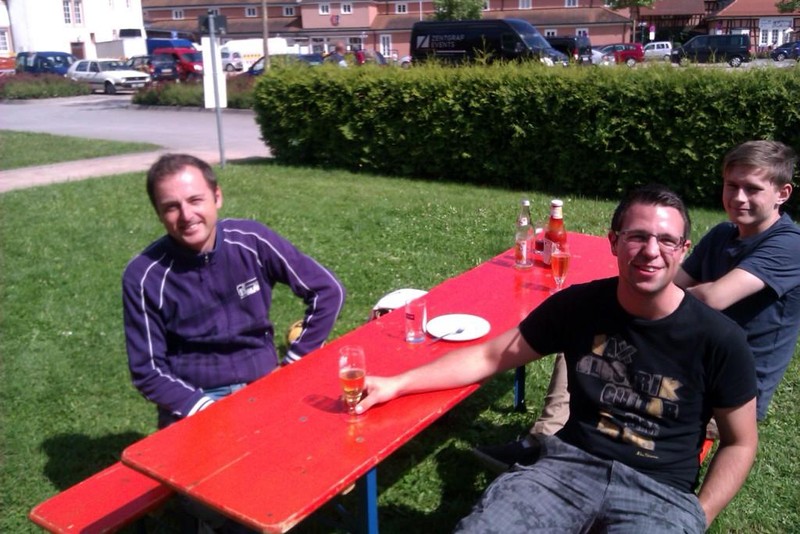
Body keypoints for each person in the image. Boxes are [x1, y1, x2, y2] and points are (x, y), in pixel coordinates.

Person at [356, 185, 757, 532]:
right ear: (613, 241)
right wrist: (397, 384)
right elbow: (491, 356)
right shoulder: (579, 306)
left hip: (659, 491)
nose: (651, 251)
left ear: (683, 250)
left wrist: (699, 514)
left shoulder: (719, 338)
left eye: (667, 240)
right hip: (564, 469)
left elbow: (740, 442)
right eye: (637, 236)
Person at [474, 140, 800, 472]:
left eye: (752, 188)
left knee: (605, 352)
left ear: (782, 193)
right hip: (680, 351)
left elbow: (712, 298)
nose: (739, 197)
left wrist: (641, 297)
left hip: (726, 391)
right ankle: (542, 441)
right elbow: (674, 281)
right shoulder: (723, 234)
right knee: (589, 328)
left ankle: (574, 458)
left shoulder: (789, 245)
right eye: (732, 185)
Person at [122, 154, 346, 429]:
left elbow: (328, 291)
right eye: (171, 207)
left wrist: (291, 365)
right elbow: (147, 371)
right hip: (195, 396)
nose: (186, 215)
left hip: (265, 380)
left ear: (217, 197)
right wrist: (206, 409)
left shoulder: (252, 241)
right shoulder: (144, 275)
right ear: (158, 213)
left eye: (195, 200)